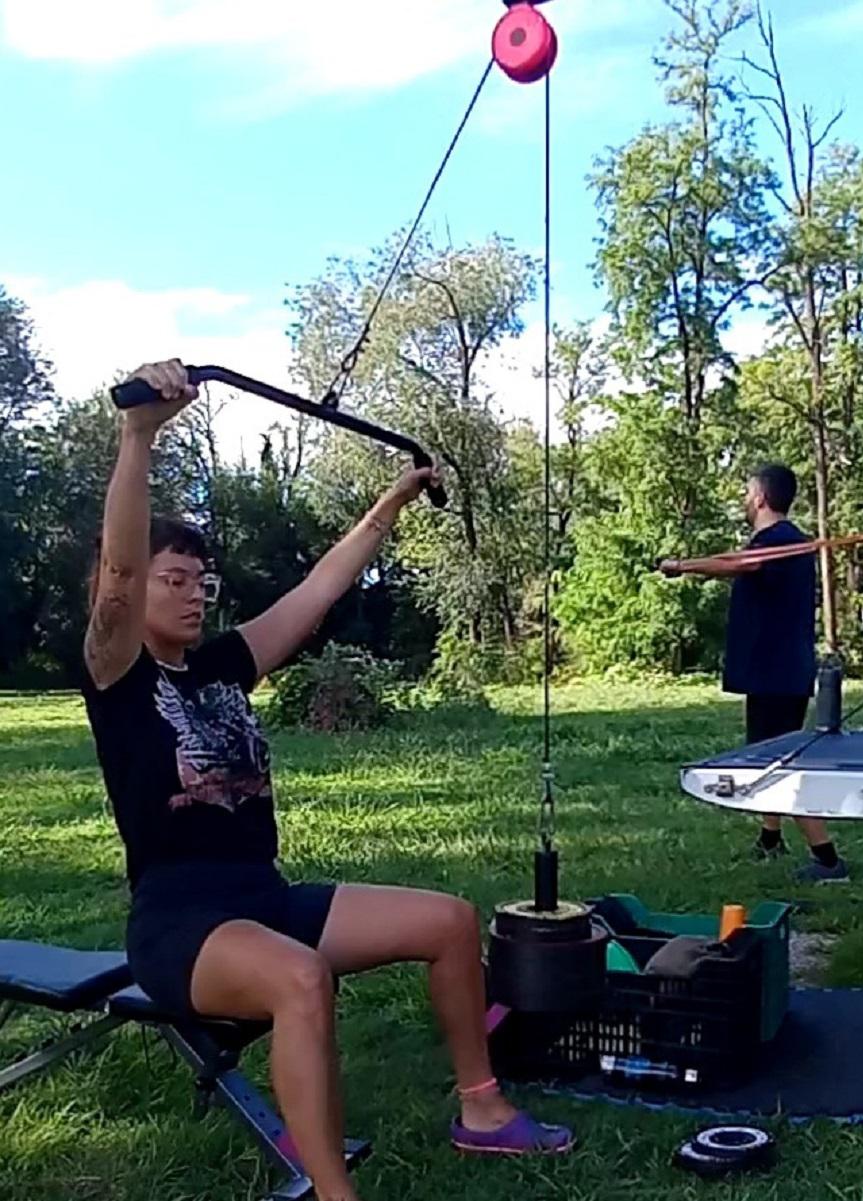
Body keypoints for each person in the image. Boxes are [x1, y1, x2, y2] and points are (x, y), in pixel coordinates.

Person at [81, 360, 572, 1201]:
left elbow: (318, 590)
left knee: (450, 921)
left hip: (264, 897)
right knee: (300, 979)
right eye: (176, 579)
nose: (194, 593)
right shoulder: (116, 672)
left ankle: (482, 1109)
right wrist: (140, 435)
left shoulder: (226, 664)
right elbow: (120, 578)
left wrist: (391, 503)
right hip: (181, 924)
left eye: (202, 580)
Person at [660, 463, 849, 883]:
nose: (745, 499)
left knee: (778, 765)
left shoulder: (780, 541)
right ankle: (770, 838)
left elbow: (739, 565)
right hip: (775, 673)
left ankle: (829, 860)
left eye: (748, 492)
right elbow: (740, 561)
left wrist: (683, 565)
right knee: (769, 756)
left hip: (778, 676)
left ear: (762, 497)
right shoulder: (777, 543)